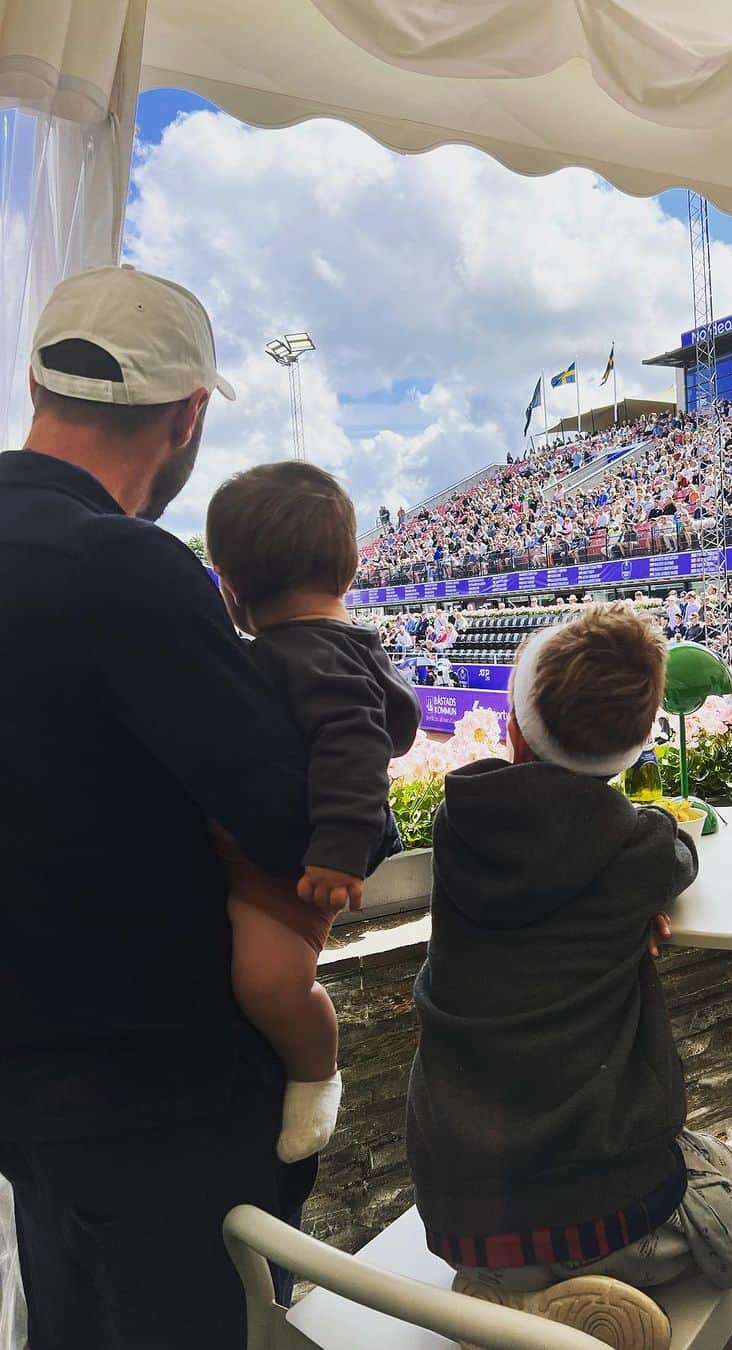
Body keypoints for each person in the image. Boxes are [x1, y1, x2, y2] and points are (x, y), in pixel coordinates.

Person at [0, 266, 319, 1348]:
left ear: (36, 381)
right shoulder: (124, 566)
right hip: (149, 1091)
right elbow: (285, 815)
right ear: (187, 418)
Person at [407, 605, 732, 1350]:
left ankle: (514, 1298)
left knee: (536, 1233)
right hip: (601, 1207)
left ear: (511, 728)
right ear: (636, 750)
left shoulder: (457, 824)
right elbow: (678, 850)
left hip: (456, 1213)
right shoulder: (636, 852)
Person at [205, 462, 420, 1162]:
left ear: (232, 592)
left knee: (269, 981)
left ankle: (315, 1072)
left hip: (301, 866)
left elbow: (355, 744)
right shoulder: (303, 648)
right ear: (351, 567)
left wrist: (338, 848)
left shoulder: (315, 655)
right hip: (276, 854)